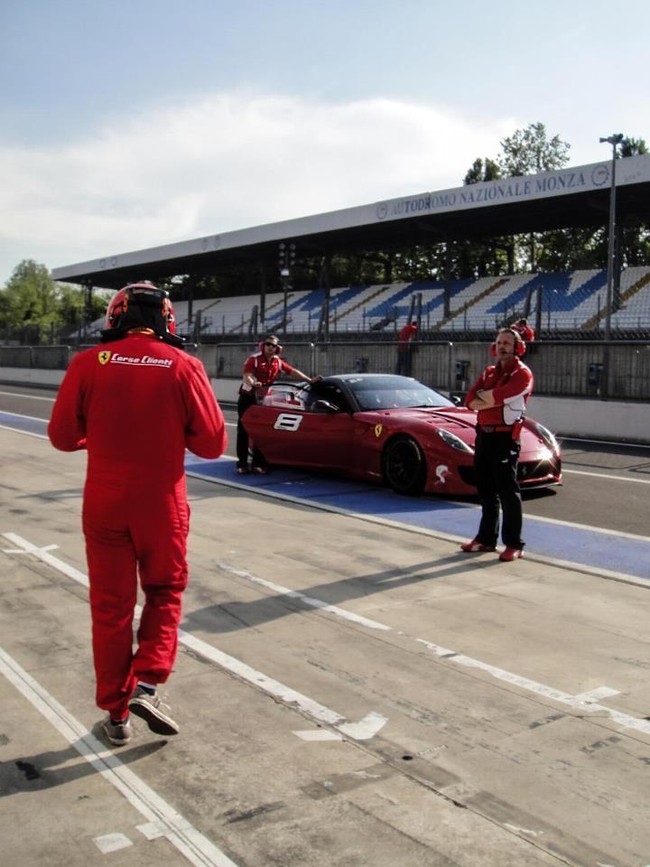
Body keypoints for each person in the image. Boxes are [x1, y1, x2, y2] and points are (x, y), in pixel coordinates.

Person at [48, 282, 227, 746]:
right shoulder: (184, 365)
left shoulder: (88, 363)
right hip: (161, 504)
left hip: (104, 500)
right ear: (168, 320)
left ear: (114, 317)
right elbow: (212, 445)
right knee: (165, 590)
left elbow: (64, 438)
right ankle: (147, 683)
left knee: (110, 609)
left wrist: (99, 438)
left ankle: (116, 715)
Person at [459, 327, 534, 562]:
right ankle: (486, 539)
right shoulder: (489, 372)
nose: (502, 346)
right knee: (485, 489)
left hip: (505, 437)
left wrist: (487, 398)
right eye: (499, 342)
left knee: (507, 490)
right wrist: (487, 399)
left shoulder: (523, 374)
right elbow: (470, 401)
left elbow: (496, 398)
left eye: (507, 343)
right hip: (484, 435)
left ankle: (514, 543)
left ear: (517, 348)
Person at [236, 334, 319, 474]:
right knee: (244, 430)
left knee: (261, 431)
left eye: (273, 345)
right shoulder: (254, 359)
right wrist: (253, 383)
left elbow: (292, 371)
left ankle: (258, 463)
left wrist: (309, 380)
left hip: (263, 399)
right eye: (268, 344)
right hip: (248, 398)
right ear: (263, 345)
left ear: (277, 348)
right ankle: (242, 464)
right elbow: (247, 375)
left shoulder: (277, 361)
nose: (270, 347)